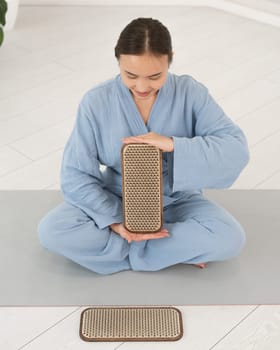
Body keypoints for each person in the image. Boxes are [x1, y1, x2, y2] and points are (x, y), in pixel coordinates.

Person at [38, 17, 249, 275]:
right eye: (130, 75)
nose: (141, 87)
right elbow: (75, 173)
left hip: (177, 198)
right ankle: (169, 251)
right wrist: (115, 220)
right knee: (52, 231)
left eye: (154, 76)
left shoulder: (191, 94)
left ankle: (124, 250)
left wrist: (172, 144)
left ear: (170, 59)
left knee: (230, 237)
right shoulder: (96, 101)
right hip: (116, 198)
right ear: (118, 61)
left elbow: (235, 149)